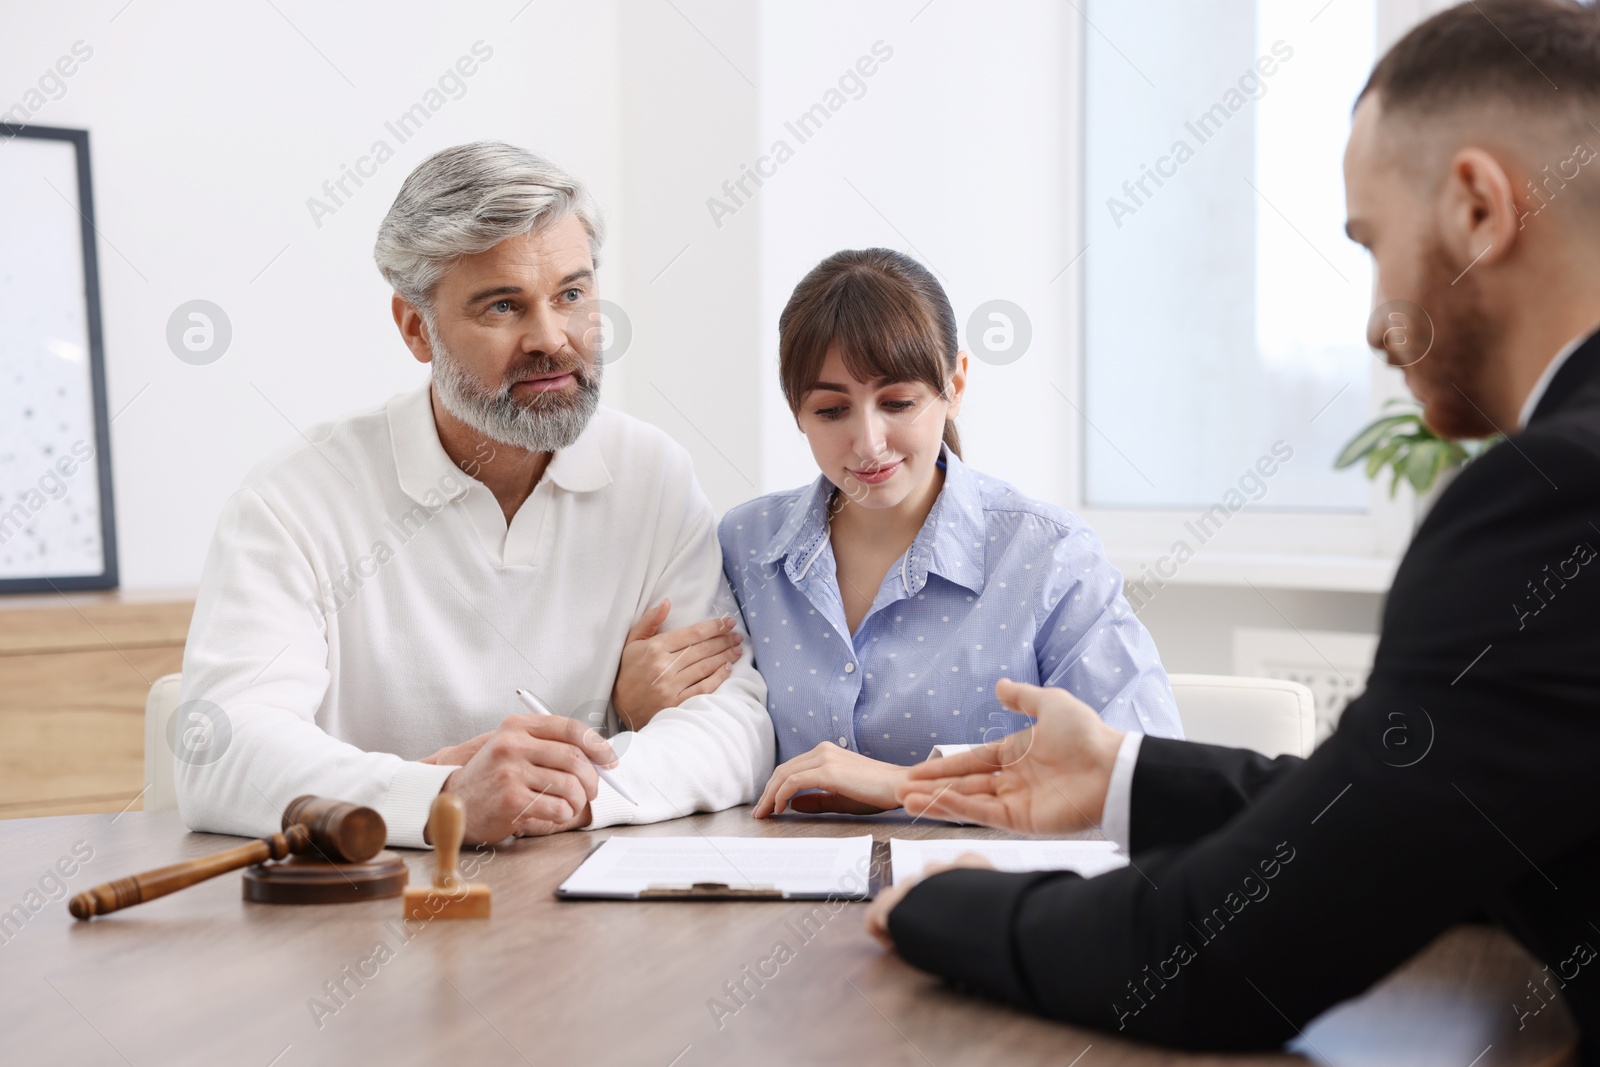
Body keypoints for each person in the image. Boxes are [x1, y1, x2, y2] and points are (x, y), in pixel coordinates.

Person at [866, 0, 1600, 1055]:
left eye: (1370, 242)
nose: (1369, 320)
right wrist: (1123, 770)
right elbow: (1420, 814)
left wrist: (949, 901)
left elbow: (1214, 956)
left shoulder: (1551, 497)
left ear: (1478, 210)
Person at [175, 142, 772, 848]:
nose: (551, 338)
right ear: (413, 328)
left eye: (572, 295)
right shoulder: (294, 499)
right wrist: (443, 798)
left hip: (581, 905)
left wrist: (569, 792)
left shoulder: (653, 475)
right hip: (367, 919)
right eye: (502, 306)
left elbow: (735, 725)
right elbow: (219, 750)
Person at [714, 247, 1182, 816]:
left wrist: (910, 784)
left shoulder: (1048, 556)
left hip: (980, 894)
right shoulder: (744, 546)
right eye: (831, 411)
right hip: (774, 893)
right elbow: (701, 732)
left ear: (954, 385)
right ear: (796, 410)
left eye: (898, 402)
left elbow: (1144, 770)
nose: (868, 443)